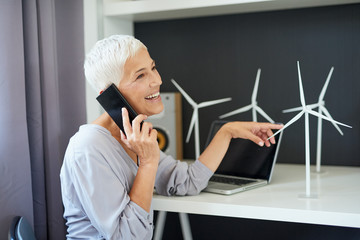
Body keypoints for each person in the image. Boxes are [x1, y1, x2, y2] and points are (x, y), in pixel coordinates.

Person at [60, 35, 283, 239]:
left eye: (153, 68)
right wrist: (147, 162)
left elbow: (185, 182)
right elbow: (127, 237)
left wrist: (227, 132)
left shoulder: (137, 135)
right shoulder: (88, 148)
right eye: (140, 75)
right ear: (109, 96)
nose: (156, 80)